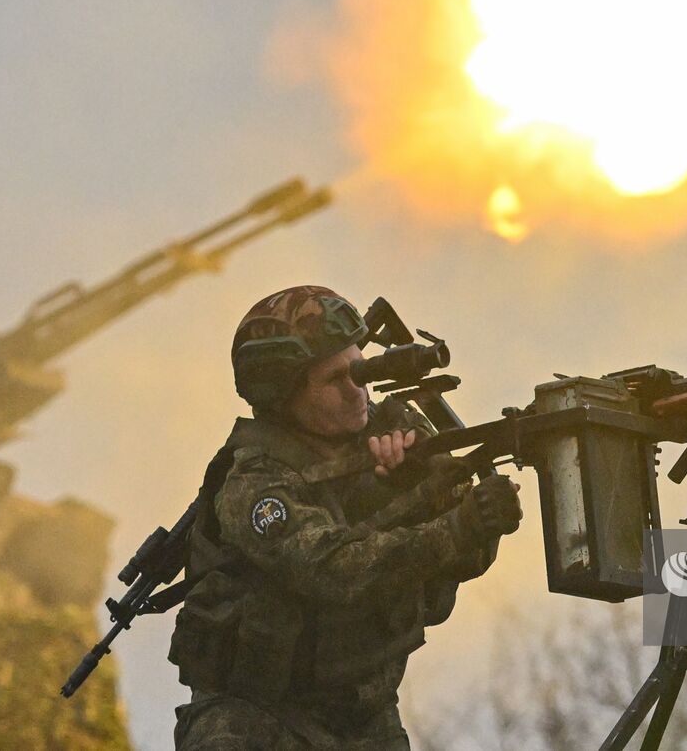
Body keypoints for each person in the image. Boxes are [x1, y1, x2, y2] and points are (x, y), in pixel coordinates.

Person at [168, 285, 521, 749]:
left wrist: (434, 492)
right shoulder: (253, 482)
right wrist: (457, 526)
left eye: (361, 370)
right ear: (285, 395)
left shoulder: (393, 427)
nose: (357, 391)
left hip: (364, 717)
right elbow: (334, 570)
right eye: (335, 380)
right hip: (255, 718)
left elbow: (469, 555)